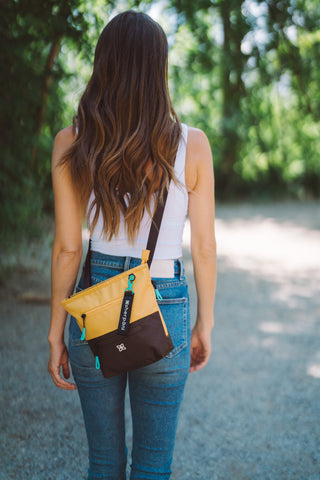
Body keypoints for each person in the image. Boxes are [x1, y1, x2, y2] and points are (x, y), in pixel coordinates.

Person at [48, 10, 217, 480]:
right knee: (153, 464)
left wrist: (55, 330)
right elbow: (203, 247)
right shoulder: (193, 145)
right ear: (157, 69)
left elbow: (66, 248)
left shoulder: (73, 142)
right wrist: (204, 323)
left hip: (97, 299)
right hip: (165, 303)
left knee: (103, 461)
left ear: (105, 64)